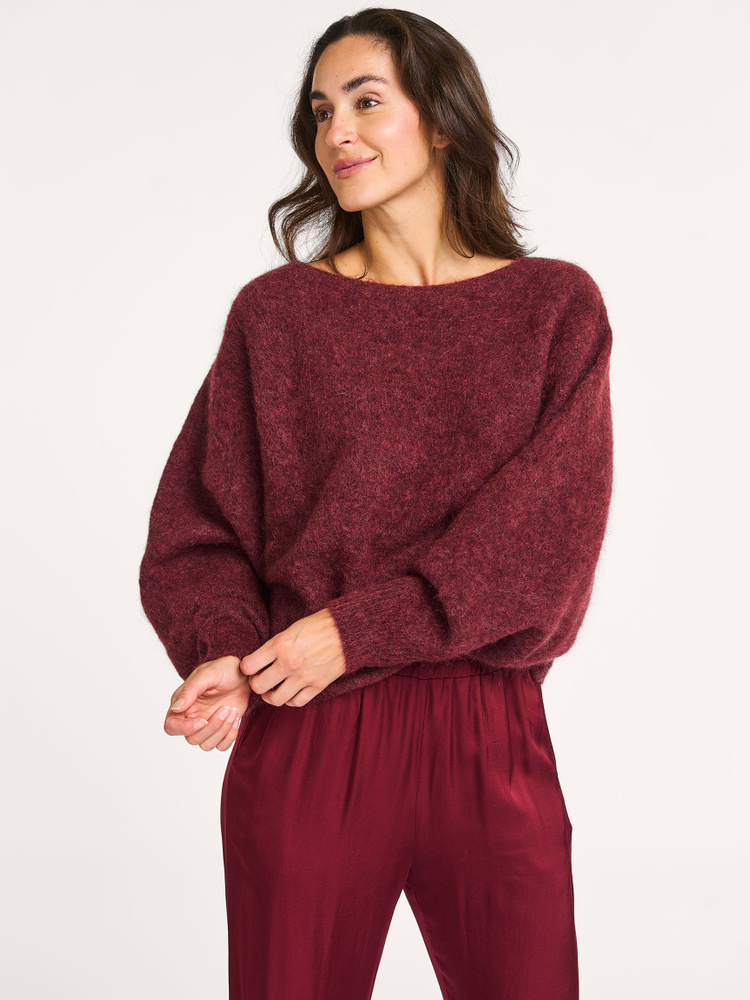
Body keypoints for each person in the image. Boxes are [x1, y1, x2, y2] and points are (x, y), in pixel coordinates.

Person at [139, 9, 614, 999]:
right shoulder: (279, 315)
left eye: (366, 101)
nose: (338, 133)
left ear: (441, 120)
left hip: (488, 727)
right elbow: (200, 526)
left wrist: (356, 632)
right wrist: (224, 648)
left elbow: (546, 548)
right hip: (309, 726)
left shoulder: (554, 308)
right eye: (321, 112)